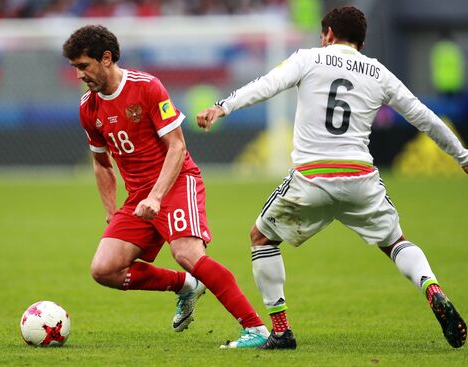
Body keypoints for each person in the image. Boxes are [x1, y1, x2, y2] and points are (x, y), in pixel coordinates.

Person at [197, 6, 467, 350]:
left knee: (261, 238)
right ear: (362, 42)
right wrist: (463, 156)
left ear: (327, 34)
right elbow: (424, 117)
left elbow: (268, 84)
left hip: (312, 178)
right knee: (396, 242)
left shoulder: (309, 58)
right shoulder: (378, 72)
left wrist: (224, 106)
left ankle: (280, 330)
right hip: (361, 178)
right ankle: (432, 287)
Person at [62, 25, 269, 349]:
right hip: (138, 197)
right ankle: (186, 286)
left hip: (175, 183)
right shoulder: (88, 108)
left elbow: (177, 146)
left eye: (83, 66)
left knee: (186, 252)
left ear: (105, 59)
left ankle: (256, 329)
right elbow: (101, 163)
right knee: (105, 269)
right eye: (75, 67)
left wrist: (157, 196)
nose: (79, 75)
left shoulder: (147, 88)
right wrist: (110, 211)